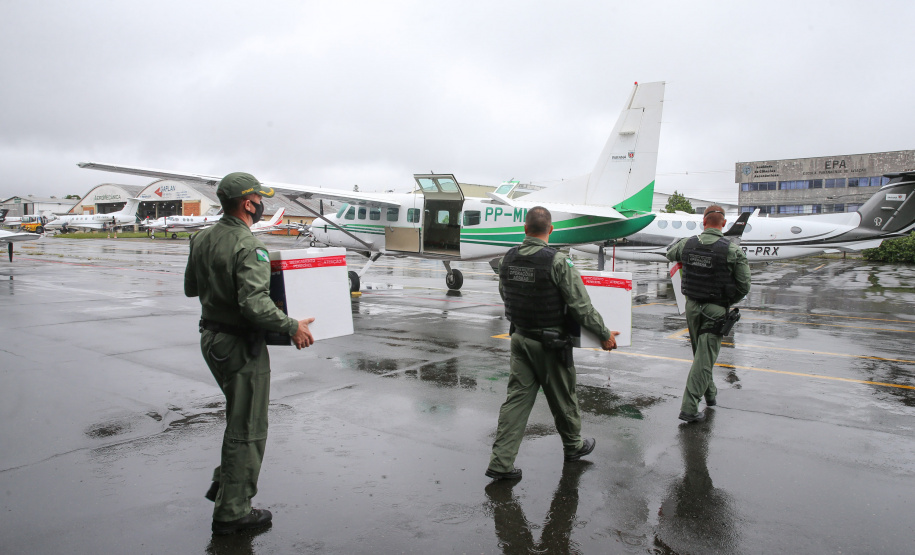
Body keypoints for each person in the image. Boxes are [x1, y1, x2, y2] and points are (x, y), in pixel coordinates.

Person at [185, 172, 315, 535]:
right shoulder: (249, 246)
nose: (262, 204)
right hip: (241, 345)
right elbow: (254, 305)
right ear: (247, 203)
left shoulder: (201, 239)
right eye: (259, 198)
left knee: (237, 418)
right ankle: (233, 511)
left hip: (211, 339)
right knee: (248, 427)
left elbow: (190, 288)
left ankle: (224, 485)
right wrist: (293, 326)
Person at [486, 206, 619, 481]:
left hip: (520, 339)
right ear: (551, 230)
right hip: (550, 344)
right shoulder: (558, 261)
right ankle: (573, 446)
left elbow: (505, 294)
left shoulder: (507, 258)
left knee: (516, 402)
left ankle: (501, 463)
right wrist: (604, 333)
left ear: (525, 229)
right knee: (564, 397)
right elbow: (581, 306)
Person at [666, 205, 751, 423]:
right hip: (716, 309)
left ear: (703, 222)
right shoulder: (732, 250)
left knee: (701, 356)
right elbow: (744, 286)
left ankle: (710, 394)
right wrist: (726, 302)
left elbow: (670, 253)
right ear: (724, 224)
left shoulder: (688, 243)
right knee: (705, 359)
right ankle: (689, 407)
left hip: (692, 307)